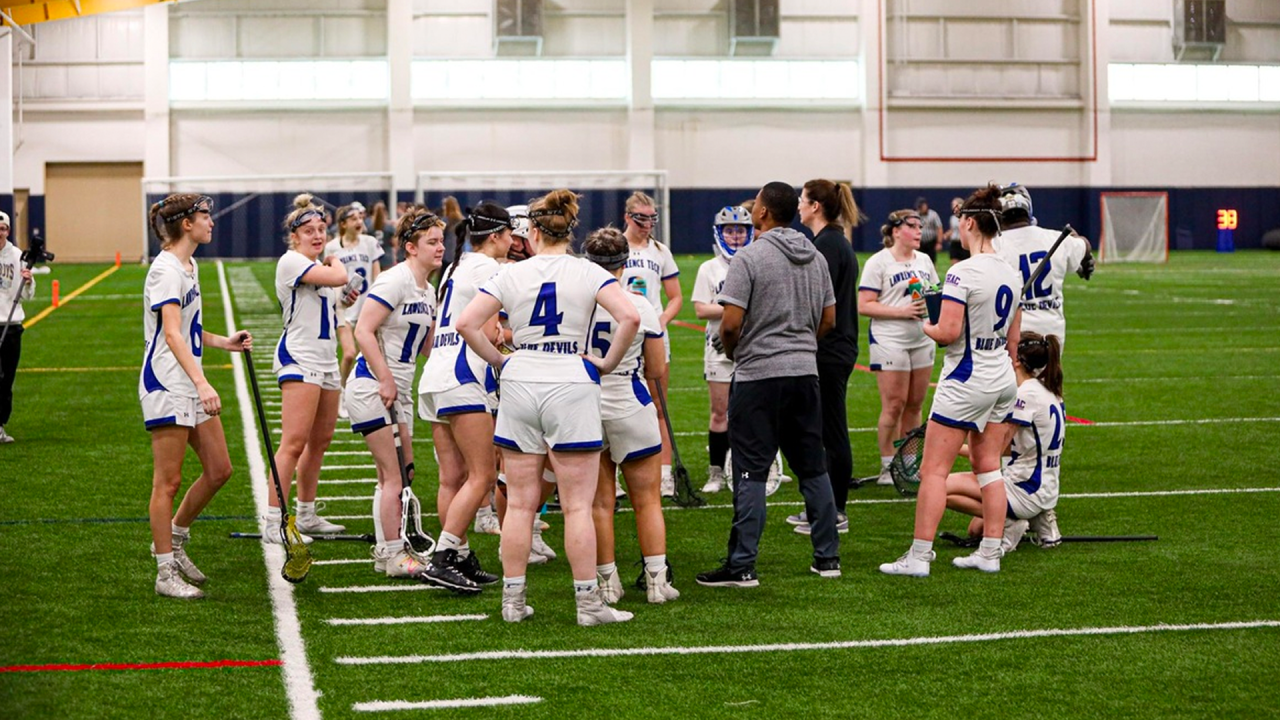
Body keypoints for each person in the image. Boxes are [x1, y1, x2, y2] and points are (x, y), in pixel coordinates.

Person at [456, 189, 640, 626]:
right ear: (569, 231)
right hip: (570, 379)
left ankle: (513, 602)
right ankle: (588, 604)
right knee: (577, 505)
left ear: (533, 231)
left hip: (522, 379)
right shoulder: (588, 271)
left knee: (519, 504)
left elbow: (466, 323)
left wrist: (501, 360)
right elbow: (630, 318)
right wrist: (606, 363)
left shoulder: (510, 274)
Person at [696, 181, 841, 588]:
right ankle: (827, 558)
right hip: (804, 373)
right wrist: (800, 346)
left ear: (762, 213)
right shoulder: (815, 257)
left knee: (751, 471)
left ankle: (742, 565)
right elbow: (828, 320)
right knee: (813, 466)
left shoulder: (749, 258)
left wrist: (736, 352)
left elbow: (731, 323)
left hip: (759, 375)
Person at [880, 184, 1022, 577]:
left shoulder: (962, 271)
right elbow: (1014, 337)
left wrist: (926, 321)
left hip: (966, 378)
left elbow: (947, 332)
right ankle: (990, 551)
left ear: (971, 223)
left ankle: (919, 556)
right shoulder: (1010, 271)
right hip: (1000, 376)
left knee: (933, 471)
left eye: (960, 221)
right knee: (989, 466)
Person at [141, 194, 253, 598]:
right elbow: (170, 334)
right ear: (186, 224)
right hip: (167, 382)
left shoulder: (190, 265)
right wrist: (203, 383)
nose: (211, 222)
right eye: (205, 216)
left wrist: (223, 342)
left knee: (220, 469)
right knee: (167, 482)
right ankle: (164, 571)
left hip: (187, 379)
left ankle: (175, 538)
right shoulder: (165, 270)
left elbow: (187, 329)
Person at [417, 203, 515, 592]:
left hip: (436, 374)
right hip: (463, 374)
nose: (514, 241)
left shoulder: (457, 267)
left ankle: (458, 554)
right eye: (510, 234)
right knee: (483, 475)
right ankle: (443, 556)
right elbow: (490, 333)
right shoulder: (489, 269)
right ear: (495, 236)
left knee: (452, 478)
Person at [347, 207, 444, 583]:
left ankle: (388, 547)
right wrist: (385, 379)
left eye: (440, 240)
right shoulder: (394, 281)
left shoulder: (428, 290)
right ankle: (392, 553)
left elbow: (427, 346)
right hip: (373, 386)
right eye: (431, 242)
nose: (440, 248)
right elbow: (363, 331)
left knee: (403, 472)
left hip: (398, 390)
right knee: (393, 475)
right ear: (410, 247)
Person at [583, 226, 678, 605]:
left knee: (600, 503)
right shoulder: (639, 305)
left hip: (586, 404)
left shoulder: (577, 303)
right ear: (625, 263)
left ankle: (608, 583)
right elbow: (655, 369)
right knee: (647, 499)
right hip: (629, 400)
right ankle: (656, 581)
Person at [264, 194, 357, 541]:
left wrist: (343, 299)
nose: (317, 235)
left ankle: (305, 513)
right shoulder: (291, 261)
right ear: (295, 236)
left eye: (321, 229)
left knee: (321, 440)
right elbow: (338, 276)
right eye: (309, 230)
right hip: (300, 357)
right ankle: (274, 519)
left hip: (326, 360)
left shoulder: (321, 269)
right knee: (293, 442)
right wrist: (337, 266)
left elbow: (334, 308)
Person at [945, 331, 1064, 551]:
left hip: (1024, 487)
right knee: (975, 530)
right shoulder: (1047, 389)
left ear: (1017, 359)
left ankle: (1014, 520)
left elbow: (990, 453)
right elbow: (1012, 449)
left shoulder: (1024, 395)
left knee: (939, 487)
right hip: (1044, 485)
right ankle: (1037, 518)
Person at [789, 179, 862, 536]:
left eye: (803, 200)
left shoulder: (829, 245)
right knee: (820, 429)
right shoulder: (829, 241)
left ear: (815, 206)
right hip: (832, 347)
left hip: (831, 349)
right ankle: (821, 505)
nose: (799, 206)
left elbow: (821, 305)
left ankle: (836, 511)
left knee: (832, 431)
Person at [858, 210, 939, 486]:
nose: (919, 231)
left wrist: (933, 310)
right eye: (912, 226)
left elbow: (933, 294)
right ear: (895, 231)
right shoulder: (878, 262)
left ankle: (907, 462)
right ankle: (886, 464)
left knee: (915, 405)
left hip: (921, 337)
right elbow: (864, 305)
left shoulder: (925, 260)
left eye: (920, 226)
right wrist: (901, 312)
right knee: (894, 404)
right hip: (889, 338)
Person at [620, 191, 682, 497]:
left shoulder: (661, 251)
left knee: (659, 407)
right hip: (620, 337)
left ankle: (665, 474)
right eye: (641, 218)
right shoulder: (615, 246)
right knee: (614, 405)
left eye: (651, 218)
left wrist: (661, 321)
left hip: (654, 337)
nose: (647, 224)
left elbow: (676, 297)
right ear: (627, 217)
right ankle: (616, 477)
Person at [691, 206, 753, 493]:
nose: (736, 236)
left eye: (740, 230)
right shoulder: (709, 268)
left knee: (754, 410)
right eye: (730, 230)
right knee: (720, 411)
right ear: (720, 232)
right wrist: (734, 310)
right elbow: (701, 309)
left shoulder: (756, 261)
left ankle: (752, 466)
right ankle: (716, 472)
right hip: (717, 348)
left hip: (752, 346)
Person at [993, 183, 1094, 350]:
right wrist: (1085, 259)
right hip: (1052, 334)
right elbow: (1084, 246)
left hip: (1013, 333)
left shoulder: (994, 246)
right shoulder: (1055, 239)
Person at [325, 204, 383, 416]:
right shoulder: (332, 247)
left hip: (367, 306)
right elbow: (332, 275)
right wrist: (341, 297)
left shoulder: (370, 243)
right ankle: (342, 392)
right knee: (349, 353)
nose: (359, 221)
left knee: (368, 355)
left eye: (360, 217)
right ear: (343, 224)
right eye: (353, 218)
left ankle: (363, 394)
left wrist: (379, 300)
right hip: (344, 307)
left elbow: (376, 275)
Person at [0, 211, 34, 444]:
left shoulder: (17, 255)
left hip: (11, 325)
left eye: (2, 228)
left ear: (8, 231)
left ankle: (0, 424)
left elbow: (27, 295)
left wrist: (28, 280)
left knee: (6, 380)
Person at [915, 196, 944, 263]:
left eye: (921, 207)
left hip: (930, 242)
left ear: (925, 205)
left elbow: (939, 228)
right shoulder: (916, 215)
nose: (920, 209)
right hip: (920, 242)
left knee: (931, 261)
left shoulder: (933, 215)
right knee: (919, 261)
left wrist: (939, 242)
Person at [947, 197, 969, 262]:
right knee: (954, 262)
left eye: (955, 205)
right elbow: (952, 229)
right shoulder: (952, 218)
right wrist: (947, 235)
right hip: (954, 242)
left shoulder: (966, 217)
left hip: (962, 242)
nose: (953, 207)